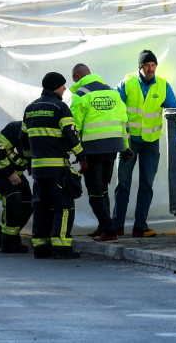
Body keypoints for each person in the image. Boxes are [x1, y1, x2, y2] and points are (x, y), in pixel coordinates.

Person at [113, 49, 176, 238]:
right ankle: (117, 225)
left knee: (146, 185)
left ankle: (139, 226)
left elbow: (174, 109)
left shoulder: (163, 85)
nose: (151, 69)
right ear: (140, 67)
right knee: (123, 184)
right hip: (129, 142)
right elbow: (116, 110)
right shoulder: (127, 84)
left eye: (153, 65)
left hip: (151, 142)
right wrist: (121, 140)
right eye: (147, 65)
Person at [21, 72, 86, 260]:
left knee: (41, 207)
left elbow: (23, 139)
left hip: (39, 170)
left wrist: (29, 162)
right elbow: (71, 135)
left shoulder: (30, 108)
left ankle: (41, 248)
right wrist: (82, 155)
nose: (65, 89)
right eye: (62, 86)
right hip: (57, 168)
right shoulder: (60, 107)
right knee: (64, 207)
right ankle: (62, 248)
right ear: (55, 87)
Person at [69, 64, 128, 243]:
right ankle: (104, 225)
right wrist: (126, 146)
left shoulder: (80, 95)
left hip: (93, 149)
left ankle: (109, 231)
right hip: (113, 147)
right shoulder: (113, 92)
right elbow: (124, 121)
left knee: (95, 193)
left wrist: (75, 151)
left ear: (77, 76)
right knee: (103, 189)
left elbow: (74, 126)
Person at [0, 121, 32, 254]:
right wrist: (9, 173)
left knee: (28, 203)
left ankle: (0, 238)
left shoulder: (39, 133)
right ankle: (9, 243)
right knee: (13, 199)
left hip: (16, 173)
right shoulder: (15, 128)